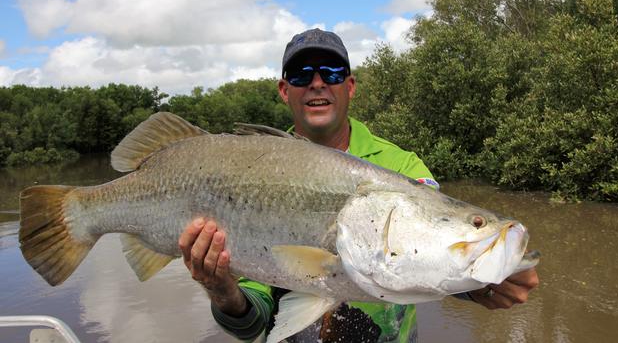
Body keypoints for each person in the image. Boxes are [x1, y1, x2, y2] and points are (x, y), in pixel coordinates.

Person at [178, 28, 539, 342]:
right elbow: (252, 323)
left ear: (350, 86)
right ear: (285, 90)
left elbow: (415, 260)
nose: (318, 82)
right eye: (303, 74)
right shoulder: (248, 173)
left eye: (332, 72)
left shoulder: (403, 169)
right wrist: (222, 292)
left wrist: (481, 286)